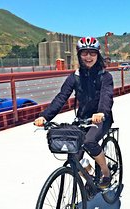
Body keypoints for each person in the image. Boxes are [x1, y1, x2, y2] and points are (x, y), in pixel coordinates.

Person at [34, 36, 114, 189]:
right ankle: (90, 177)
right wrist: (45, 116)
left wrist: (102, 112)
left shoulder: (105, 76)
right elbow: (61, 97)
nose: (89, 57)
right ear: (79, 55)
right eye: (85, 53)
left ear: (98, 55)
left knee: (89, 141)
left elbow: (106, 97)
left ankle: (106, 173)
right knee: (74, 153)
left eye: (92, 53)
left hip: (101, 118)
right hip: (82, 119)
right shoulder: (74, 77)